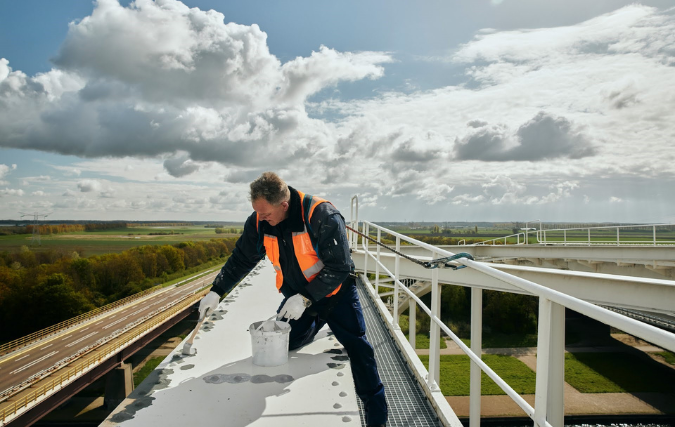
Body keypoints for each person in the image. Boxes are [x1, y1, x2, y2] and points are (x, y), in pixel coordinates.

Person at [198, 172, 388, 426]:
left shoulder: (321, 216)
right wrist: (216, 291)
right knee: (285, 344)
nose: (261, 218)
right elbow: (242, 257)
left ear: (284, 205)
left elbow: (340, 267)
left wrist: (305, 298)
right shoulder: (259, 222)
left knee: (360, 352)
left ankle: (377, 419)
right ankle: (315, 323)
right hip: (297, 300)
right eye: (257, 212)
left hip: (336, 297)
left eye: (265, 213)